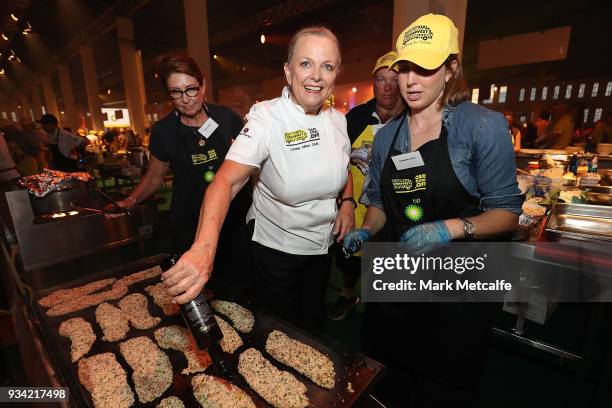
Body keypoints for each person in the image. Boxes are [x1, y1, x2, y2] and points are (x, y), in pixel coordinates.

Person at [342, 14, 522, 407]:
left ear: (451, 68)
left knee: (440, 391)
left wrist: (449, 229)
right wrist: (367, 230)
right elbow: (379, 201)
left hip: (456, 294)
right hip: (397, 284)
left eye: (424, 68)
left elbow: (507, 213)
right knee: (386, 384)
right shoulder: (388, 133)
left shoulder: (481, 127)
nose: (409, 81)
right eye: (404, 67)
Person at [162, 27, 353, 330]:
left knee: (314, 327)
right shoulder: (266, 118)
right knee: (281, 335)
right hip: (277, 251)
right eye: (306, 64)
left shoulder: (339, 121)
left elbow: (343, 170)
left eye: (327, 66)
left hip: (322, 249)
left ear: (336, 74)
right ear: (288, 72)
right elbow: (226, 182)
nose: (316, 75)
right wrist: (203, 249)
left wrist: (347, 205)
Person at [111, 54, 251, 276]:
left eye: (191, 89)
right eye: (176, 92)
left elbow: (251, 160)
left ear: (203, 85)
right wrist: (131, 200)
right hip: (189, 224)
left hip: (232, 219)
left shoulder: (226, 118)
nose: (186, 98)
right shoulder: (163, 131)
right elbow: (154, 177)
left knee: (240, 284)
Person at [329, 50, 404, 321]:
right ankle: (348, 296)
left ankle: (380, 311)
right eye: (381, 79)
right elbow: (337, 163)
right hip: (354, 210)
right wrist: (342, 203)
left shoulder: (412, 120)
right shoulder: (355, 117)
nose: (387, 86)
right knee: (349, 263)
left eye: (394, 80)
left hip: (392, 214)